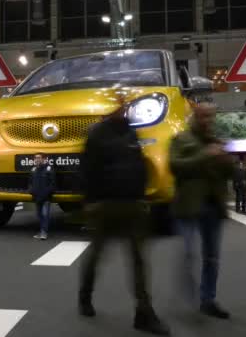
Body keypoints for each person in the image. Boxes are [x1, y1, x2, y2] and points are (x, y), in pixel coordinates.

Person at [78, 98, 170, 336]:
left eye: (123, 103)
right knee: (97, 255)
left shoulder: (132, 133)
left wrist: (142, 198)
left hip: (132, 205)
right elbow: (87, 169)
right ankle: (85, 295)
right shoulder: (97, 133)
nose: (122, 107)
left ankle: (144, 313)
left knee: (139, 260)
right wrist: (90, 202)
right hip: (104, 205)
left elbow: (139, 166)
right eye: (117, 103)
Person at [169, 102, 235, 320]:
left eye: (210, 117)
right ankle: (188, 294)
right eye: (203, 116)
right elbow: (174, 166)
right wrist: (205, 155)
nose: (207, 120)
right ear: (195, 117)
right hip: (188, 206)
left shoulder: (217, 142)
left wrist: (227, 160)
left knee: (212, 258)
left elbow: (232, 174)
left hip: (213, 207)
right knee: (189, 253)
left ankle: (208, 300)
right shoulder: (181, 139)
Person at [29, 153, 55, 240]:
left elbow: (52, 184)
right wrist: (31, 191)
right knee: (39, 215)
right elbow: (30, 183)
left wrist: (46, 194)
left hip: (45, 198)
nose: (36, 159)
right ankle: (41, 232)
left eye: (39, 158)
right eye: (35, 158)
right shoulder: (33, 170)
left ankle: (44, 233)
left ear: (44, 159)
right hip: (37, 197)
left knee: (44, 215)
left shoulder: (48, 169)